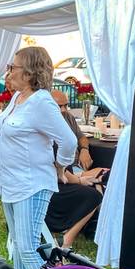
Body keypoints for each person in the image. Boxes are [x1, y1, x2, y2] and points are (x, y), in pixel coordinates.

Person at [0, 47, 76, 269]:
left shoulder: (42, 102)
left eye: (13, 67)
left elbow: (69, 141)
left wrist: (60, 167)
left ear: (30, 72)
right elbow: (4, 133)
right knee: (18, 249)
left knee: (27, 248)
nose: (8, 71)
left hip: (31, 185)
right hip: (11, 183)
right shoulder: (17, 97)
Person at [45, 92, 105, 249]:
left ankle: (93, 228)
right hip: (54, 184)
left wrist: (84, 149)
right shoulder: (46, 128)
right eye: (60, 106)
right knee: (94, 193)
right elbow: (58, 172)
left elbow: (82, 137)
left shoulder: (67, 118)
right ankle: (68, 240)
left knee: (103, 177)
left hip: (68, 175)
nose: (64, 109)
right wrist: (80, 180)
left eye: (66, 105)